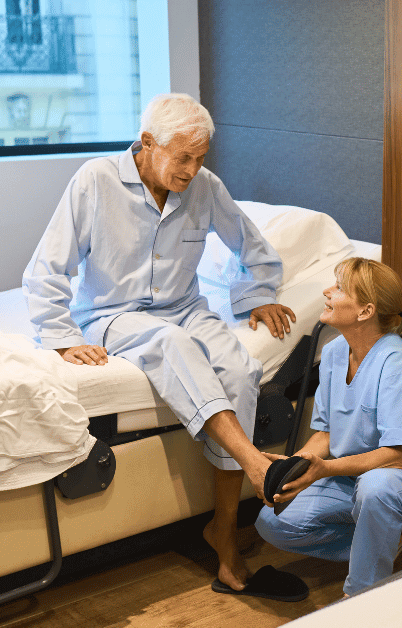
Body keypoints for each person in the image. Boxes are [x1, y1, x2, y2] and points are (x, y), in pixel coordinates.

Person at [22, 93, 305, 600]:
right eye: (183, 157)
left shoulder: (205, 186)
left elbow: (252, 247)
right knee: (170, 343)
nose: (193, 170)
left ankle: (222, 528)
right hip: (112, 315)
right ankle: (254, 462)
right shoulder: (95, 181)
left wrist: (257, 294)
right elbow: (47, 267)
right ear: (148, 143)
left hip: (186, 306)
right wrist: (62, 337)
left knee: (241, 369)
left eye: (201, 158)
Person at [255, 257, 402, 597]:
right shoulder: (334, 353)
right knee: (273, 522)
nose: (327, 292)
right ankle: (380, 541)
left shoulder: (395, 362)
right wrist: (296, 467)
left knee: (377, 487)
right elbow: (326, 433)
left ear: (365, 311)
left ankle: (362, 595)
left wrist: (324, 470)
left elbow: (398, 456)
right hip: (353, 480)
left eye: (338, 288)